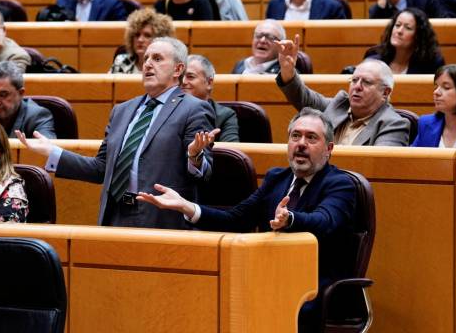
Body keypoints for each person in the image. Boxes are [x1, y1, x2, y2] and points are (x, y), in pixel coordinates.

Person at [136, 107, 357, 333]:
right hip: (265, 277)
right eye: (295, 136)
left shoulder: (340, 184)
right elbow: (236, 219)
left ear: (329, 149)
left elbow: (326, 221)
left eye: (311, 138)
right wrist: (187, 206)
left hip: (313, 285)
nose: (301, 144)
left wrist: (290, 218)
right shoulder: (276, 179)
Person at [17, 37, 218, 229]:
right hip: (114, 214)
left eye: (157, 59)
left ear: (178, 69)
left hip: (161, 219)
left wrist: (194, 156)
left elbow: (205, 174)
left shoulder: (194, 109)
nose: (147, 64)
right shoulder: (122, 111)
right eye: (146, 58)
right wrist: (54, 152)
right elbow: (101, 169)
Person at [276, 34, 410, 146]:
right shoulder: (339, 105)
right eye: (354, 80)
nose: (357, 86)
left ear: (385, 92)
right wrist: (288, 70)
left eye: (367, 82)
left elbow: (377, 166)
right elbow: (302, 97)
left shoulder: (394, 124)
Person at [364, 8, 445, 74]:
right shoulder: (374, 57)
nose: (399, 31)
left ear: (418, 36)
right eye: (397, 25)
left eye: (408, 28)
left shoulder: (431, 65)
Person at [183, 55, 239, 142]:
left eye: (190, 77)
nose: (183, 82)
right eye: (181, 76)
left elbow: (231, 151)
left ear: (209, 83)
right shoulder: (167, 109)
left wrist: (208, 147)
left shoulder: (225, 116)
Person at [110, 7, 174, 74]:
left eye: (147, 35)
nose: (140, 40)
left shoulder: (168, 66)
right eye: (137, 35)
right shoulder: (122, 61)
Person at [233, 19, 299, 74]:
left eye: (269, 37)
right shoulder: (241, 65)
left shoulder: (287, 72)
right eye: (258, 36)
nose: (262, 40)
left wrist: (288, 72)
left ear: (281, 44)